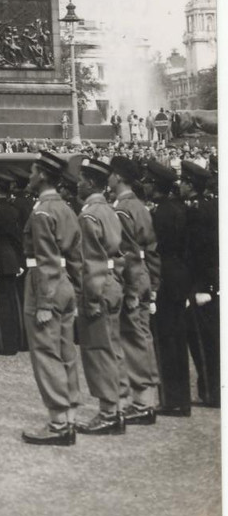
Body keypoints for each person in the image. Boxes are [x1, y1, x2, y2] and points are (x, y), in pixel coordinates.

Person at [20, 151, 83, 446]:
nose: (29, 177)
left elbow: (45, 258)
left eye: (33, 172)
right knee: (66, 352)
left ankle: (58, 422)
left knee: (46, 354)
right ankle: (68, 417)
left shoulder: (43, 211)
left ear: (43, 175)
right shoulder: (66, 208)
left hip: (44, 283)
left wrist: (44, 302)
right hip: (65, 283)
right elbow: (76, 256)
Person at [74, 157, 126, 434]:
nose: (77, 184)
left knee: (98, 352)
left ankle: (108, 413)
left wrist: (91, 298)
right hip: (112, 283)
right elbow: (117, 253)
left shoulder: (88, 214)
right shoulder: (108, 210)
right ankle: (115, 409)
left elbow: (91, 261)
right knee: (112, 349)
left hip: (98, 288)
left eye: (82, 179)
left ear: (91, 183)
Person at [108, 156, 160, 425]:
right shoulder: (139, 206)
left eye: (110, 174)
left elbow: (127, 253)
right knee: (142, 334)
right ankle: (146, 399)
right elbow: (151, 250)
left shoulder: (122, 208)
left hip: (131, 276)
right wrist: (153, 285)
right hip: (143, 275)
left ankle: (142, 401)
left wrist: (128, 290)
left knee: (133, 337)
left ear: (117, 177)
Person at [142, 159, 191, 417]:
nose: (145, 186)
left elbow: (156, 250)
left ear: (155, 185)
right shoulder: (179, 208)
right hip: (179, 275)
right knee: (177, 339)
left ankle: (173, 400)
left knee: (167, 340)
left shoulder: (160, 213)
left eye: (148, 182)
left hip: (165, 277)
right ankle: (180, 399)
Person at [181, 160, 219, 407]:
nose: (180, 186)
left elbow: (205, 251)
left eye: (183, 182)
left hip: (202, 283)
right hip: (206, 281)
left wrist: (205, 286)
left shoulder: (198, 212)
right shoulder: (210, 207)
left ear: (190, 185)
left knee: (204, 340)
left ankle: (212, 392)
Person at [0, 169, 24, 356]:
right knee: (11, 301)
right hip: (11, 258)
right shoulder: (12, 210)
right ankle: (14, 340)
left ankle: (3, 343)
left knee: (0, 303)